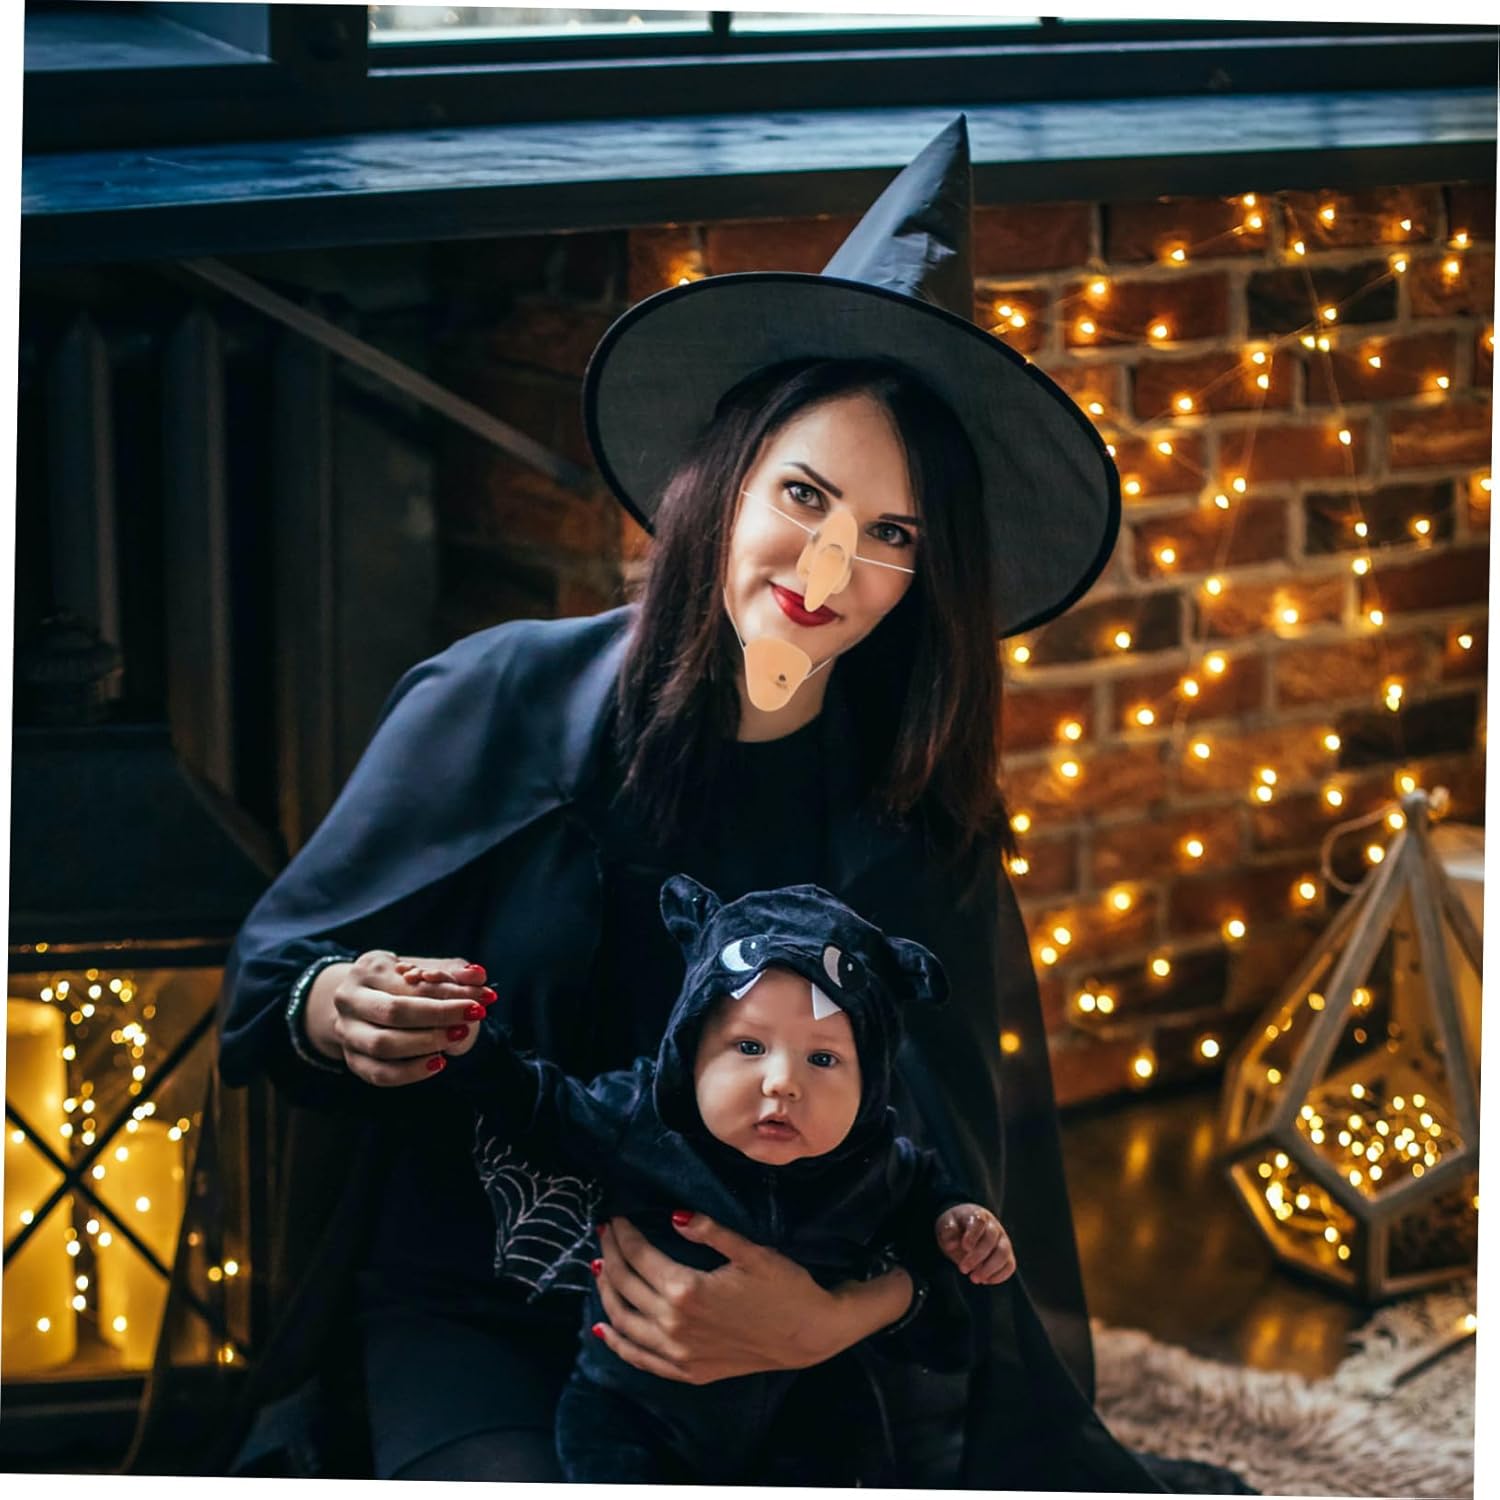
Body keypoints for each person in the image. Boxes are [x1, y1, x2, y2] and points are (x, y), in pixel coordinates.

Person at [215, 116, 1165, 1489]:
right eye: (805, 493)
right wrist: (335, 1004)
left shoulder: (914, 814)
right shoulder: (498, 699)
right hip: (484, 1308)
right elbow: (272, 983)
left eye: (891, 535)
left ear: (926, 579)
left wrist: (829, 1318)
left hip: (786, 1334)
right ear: (722, 485)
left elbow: (956, 1183)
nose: (828, 567)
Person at [422, 873, 1012, 1482]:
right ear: (690, 1052)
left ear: (870, 1085)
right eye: (749, 1047)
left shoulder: (879, 1163)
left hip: (808, 1410)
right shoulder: (640, 1119)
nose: (782, 1082)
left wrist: (956, 1221)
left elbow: (930, 1216)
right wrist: (474, 1047)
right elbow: (539, 1107)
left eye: (823, 1058)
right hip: (637, 1414)